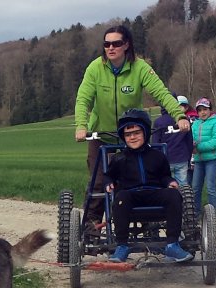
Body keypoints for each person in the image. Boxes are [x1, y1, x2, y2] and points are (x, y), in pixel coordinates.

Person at [74, 25, 191, 233]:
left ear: (126, 45)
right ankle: (92, 225)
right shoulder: (95, 68)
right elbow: (83, 99)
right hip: (101, 135)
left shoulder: (140, 67)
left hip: (131, 134)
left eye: (116, 43)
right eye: (106, 44)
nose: (111, 48)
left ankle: (147, 219)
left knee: (140, 177)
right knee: (99, 182)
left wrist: (179, 116)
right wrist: (81, 125)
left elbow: (162, 94)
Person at [104, 109, 193, 263]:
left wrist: (169, 182)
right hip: (131, 196)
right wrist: (108, 182)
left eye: (137, 132)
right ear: (123, 137)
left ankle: (172, 243)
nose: (132, 137)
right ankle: (122, 246)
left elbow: (164, 175)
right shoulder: (119, 158)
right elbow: (109, 175)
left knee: (173, 195)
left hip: (154, 194)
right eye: (128, 134)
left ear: (145, 133)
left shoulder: (157, 156)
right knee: (121, 197)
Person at [191, 97, 216, 216]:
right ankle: (195, 213)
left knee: (211, 187)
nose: (202, 113)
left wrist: (198, 147)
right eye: (199, 110)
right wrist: (191, 145)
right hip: (199, 160)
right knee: (195, 188)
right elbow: (192, 138)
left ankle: (212, 214)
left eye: (205, 109)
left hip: (212, 159)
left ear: (210, 109)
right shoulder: (195, 123)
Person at [152, 96, 194, 186]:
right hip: (182, 158)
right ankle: (184, 199)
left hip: (166, 160)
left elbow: (155, 144)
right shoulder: (184, 120)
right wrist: (189, 156)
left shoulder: (159, 122)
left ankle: (169, 199)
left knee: (167, 184)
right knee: (183, 185)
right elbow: (189, 141)